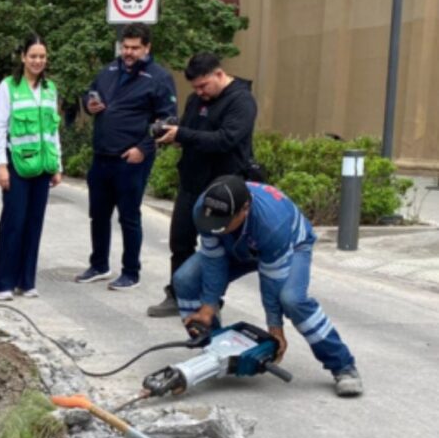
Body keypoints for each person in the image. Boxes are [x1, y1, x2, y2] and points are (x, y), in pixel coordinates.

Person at [173, 175, 363, 397]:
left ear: (245, 209)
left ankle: (343, 365)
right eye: (213, 224)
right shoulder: (204, 209)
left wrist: (275, 329)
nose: (217, 228)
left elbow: (271, 281)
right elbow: (213, 260)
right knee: (184, 279)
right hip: (236, 245)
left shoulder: (273, 223)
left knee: (292, 299)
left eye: (222, 224)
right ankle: (215, 352)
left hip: (290, 244)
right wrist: (208, 305)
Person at [148, 52, 257, 317]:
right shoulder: (195, 100)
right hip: (191, 182)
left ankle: (211, 302)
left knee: (217, 250)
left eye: (203, 86)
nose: (200, 92)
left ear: (219, 74)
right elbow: (189, 133)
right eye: (195, 87)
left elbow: (225, 140)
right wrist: (173, 135)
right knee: (180, 242)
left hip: (223, 188)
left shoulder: (241, 100)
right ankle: (177, 294)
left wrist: (184, 134)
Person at [75, 23, 177, 290]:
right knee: (98, 214)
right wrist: (90, 103)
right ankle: (99, 265)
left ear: (147, 48)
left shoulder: (158, 77)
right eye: (125, 47)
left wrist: (143, 149)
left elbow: (167, 119)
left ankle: (131, 272)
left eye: (135, 48)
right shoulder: (108, 70)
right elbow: (89, 93)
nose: (129, 53)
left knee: (129, 216)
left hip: (132, 159)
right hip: (102, 155)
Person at [0, 34, 62, 301]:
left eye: (42, 56)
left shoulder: (49, 89)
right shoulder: (7, 88)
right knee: (13, 223)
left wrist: (58, 165)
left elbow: (53, 131)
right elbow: (0, 129)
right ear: (23, 57)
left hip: (43, 166)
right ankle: (3, 283)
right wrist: (1, 165)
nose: (37, 61)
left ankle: (26, 281)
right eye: (33, 56)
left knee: (34, 224)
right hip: (17, 166)